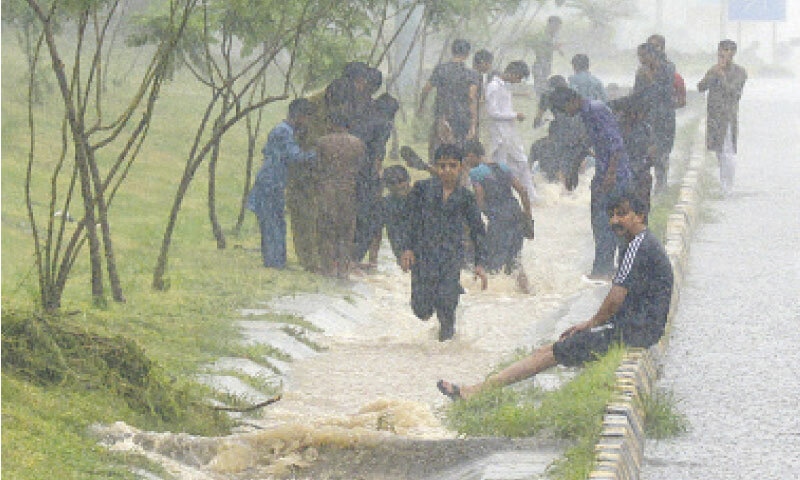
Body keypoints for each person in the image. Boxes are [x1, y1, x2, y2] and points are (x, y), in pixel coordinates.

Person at [437, 190, 674, 400]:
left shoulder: (637, 247)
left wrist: (592, 323)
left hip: (634, 332)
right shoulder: (640, 243)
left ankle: (475, 392)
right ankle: (482, 389)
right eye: (612, 215)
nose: (615, 221)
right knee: (559, 346)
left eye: (622, 214)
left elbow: (615, 298)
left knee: (550, 352)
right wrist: (591, 325)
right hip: (638, 328)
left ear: (640, 216)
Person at [399, 144, 489, 342]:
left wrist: (480, 264)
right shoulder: (422, 189)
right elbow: (407, 220)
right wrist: (406, 248)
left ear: (460, 168)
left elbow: (478, 231)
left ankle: (445, 350)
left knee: (446, 305)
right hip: (423, 257)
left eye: (452, 165)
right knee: (421, 309)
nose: (447, 170)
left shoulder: (465, 197)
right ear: (436, 167)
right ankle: (432, 314)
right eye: (442, 166)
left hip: (451, 258)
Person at [550, 86, 632, 281]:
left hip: (614, 174)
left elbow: (615, 143)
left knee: (605, 220)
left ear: (572, 101)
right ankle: (604, 267)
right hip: (605, 171)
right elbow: (588, 143)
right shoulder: (587, 113)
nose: (566, 115)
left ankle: (604, 269)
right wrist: (574, 171)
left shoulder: (595, 111)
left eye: (564, 109)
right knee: (602, 220)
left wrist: (610, 175)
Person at [247, 98, 317, 269]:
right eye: (307, 118)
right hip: (270, 182)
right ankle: (275, 262)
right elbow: (295, 156)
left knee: (276, 222)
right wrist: (319, 152)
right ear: (299, 116)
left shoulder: (286, 131)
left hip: (275, 182)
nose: (308, 123)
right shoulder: (283, 132)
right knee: (272, 223)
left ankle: (277, 261)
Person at [467, 140, 534, 293]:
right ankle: (526, 292)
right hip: (516, 214)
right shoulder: (503, 167)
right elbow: (523, 191)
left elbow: (479, 197)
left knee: (493, 261)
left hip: (499, 219)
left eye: (467, 158)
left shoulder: (476, 173)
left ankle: (488, 296)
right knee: (515, 260)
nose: (466, 162)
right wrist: (528, 218)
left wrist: (481, 216)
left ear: (471, 156)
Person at [314, 112, 366, 279]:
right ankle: (343, 269)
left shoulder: (322, 142)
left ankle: (328, 269)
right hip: (348, 190)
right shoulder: (357, 143)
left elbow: (317, 167)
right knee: (346, 232)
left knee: (326, 230)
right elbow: (360, 168)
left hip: (327, 190)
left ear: (331, 123)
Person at [698, 39, 747, 196]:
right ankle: (723, 183)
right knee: (718, 151)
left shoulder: (740, 72)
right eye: (721, 50)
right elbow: (701, 87)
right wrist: (713, 74)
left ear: (733, 53)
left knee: (728, 150)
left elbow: (733, 92)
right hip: (714, 116)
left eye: (726, 50)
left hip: (727, 117)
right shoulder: (713, 70)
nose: (723, 53)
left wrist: (723, 77)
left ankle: (728, 187)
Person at [485, 60, 538, 206]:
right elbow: (492, 112)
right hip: (500, 134)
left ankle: (530, 196)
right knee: (501, 166)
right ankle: (501, 197)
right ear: (513, 73)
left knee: (520, 163)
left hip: (509, 133)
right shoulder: (494, 87)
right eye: (519, 77)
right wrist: (514, 115)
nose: (519, 81)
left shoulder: (503, 87)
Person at [418, 39, 480, 158]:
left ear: (452, 51)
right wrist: (473, 123)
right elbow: (471, 98)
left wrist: (421, 106)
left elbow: (426, 89)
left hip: (442, 116)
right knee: (460, 150)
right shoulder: (471, 74)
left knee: (438, 149)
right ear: (467, 55)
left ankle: (437, 171)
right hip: (462, 119)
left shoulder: (441, 69)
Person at [633, 42, 676, 195]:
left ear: (652, 55)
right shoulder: (641, 72)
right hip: (647, 117)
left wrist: (651, 79)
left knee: (662, 152)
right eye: (639, 56)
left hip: (664, 117)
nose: (641, 59)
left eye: (643, 56)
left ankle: (661, 186)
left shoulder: (668, 69)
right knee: (644, 151)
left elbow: (665, 92)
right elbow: (636, 94)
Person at [611, 95, 656, 214]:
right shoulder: (618, 129)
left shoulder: (645, 128)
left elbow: (652, 153)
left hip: (636, 174)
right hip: (623, 175)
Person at [371, 165, 412, 264]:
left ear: (408, 180)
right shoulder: (386, 204)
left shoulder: (422, 198)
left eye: (401, 181)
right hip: (402, 257)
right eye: (393, 183)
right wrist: (373, 261)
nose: (398, 185)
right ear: (387, 186)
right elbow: (376, 234)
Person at [529, 15, 563, 102]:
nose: (558, 29)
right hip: (540, 63)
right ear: (550, 24)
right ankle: (540, 103)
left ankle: (541, 103)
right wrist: (553, 48)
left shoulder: (552, 36)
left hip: (546, 64)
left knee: (543, 84)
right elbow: (539, 48)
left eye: (559, 27)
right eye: (557, 26)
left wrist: (557, 49)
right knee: (540, 86)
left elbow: (550, 47)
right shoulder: (542, 34)